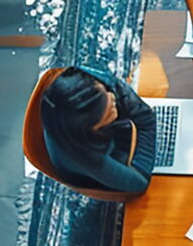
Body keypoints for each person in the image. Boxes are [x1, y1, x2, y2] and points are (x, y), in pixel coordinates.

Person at [39, 66, 157, 196]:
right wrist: (145, 121)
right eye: (109, 114)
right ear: (91, 128)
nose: (113, 98)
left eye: (106, 92)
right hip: (110, 158)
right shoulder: (83, 157)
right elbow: (139, 182)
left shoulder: (87, 81)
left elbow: (114, 86)